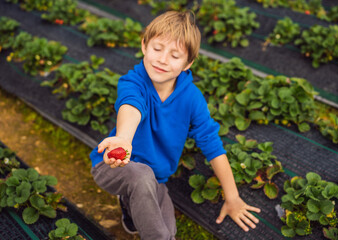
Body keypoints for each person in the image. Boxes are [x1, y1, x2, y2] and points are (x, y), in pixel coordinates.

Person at [90, 10, 261, 240]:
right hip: (113, 166)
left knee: (168, 231)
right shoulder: (133, 82)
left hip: (155, 179)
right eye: (157, 49)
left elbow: (212, 144)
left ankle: (129, 204)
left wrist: (232, 197)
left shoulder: (191, 98)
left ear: (188, 63)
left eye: (175, 55)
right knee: (146, 195)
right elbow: (131, 106)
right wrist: (124, 139)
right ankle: (130, 198)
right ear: (144, 46)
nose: (162, 59)